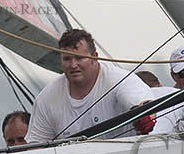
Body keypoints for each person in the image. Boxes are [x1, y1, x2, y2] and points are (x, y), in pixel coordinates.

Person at [25, 28, 154, 143]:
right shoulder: (47, 98)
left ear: (95, 57)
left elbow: (144, 104)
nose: (73, 65)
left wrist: (144, 116)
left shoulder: (120, 80)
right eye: (67, 59)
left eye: (79, 58)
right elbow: (35, 147)